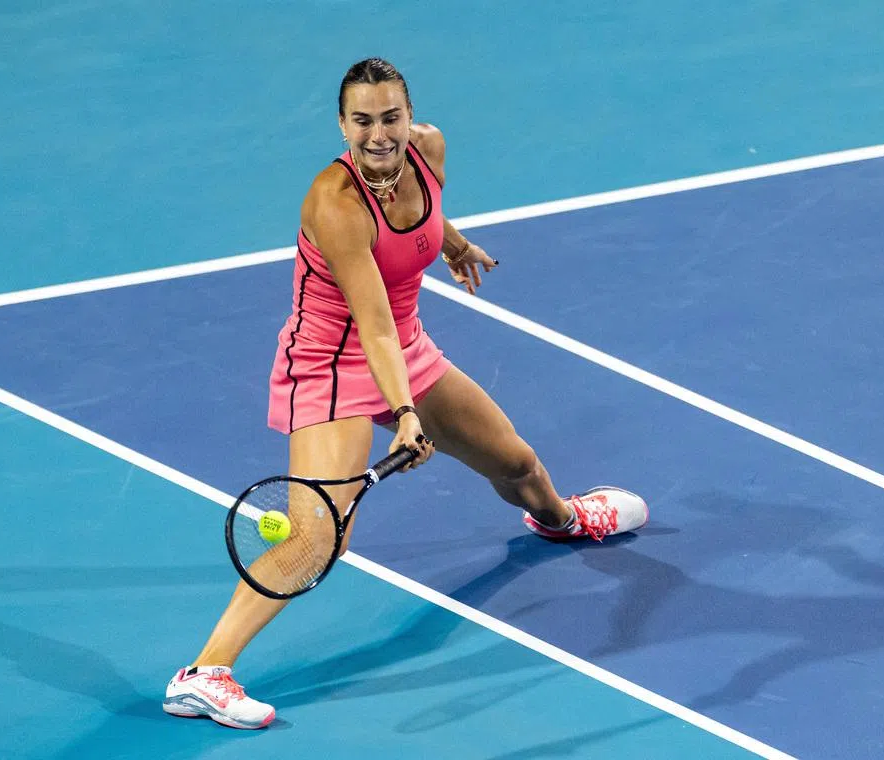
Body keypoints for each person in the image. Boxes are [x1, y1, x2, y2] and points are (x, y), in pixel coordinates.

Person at [162, 58, 649, 729]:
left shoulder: (429, 150)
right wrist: (406, 414)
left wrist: (451, 241)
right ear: (342, 124)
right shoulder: (333, 202)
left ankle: (561, 519)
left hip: (405, 345)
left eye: (390, 117)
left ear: (407, 116)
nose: (378, 133)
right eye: (362, 121)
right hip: (331, 362)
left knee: (514, 461)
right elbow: (372, 325)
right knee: (319, 538)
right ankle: (203, 674)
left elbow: (421, 223)